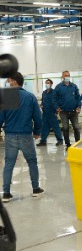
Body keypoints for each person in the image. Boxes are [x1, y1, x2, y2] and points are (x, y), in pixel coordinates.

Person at [0, 72, 43, 201]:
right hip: (26, 135)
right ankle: (36, 189)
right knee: (32, 162)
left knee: (9, 164)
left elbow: (1, 117)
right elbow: (37, 117)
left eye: (9, 80)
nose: (8, 83)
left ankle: (6, 193)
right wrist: (37, 131)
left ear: (14, 81)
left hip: (10, 136)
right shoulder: (30, 97)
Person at [54, 69, 81, 146]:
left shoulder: (74, 86)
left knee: (76, 127)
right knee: (65, 128)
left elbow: (78, 97)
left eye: (68, 75)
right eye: (66, 75)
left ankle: (78, 144)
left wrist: (78, 106)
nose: (67, 77)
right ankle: (68, 145)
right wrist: (57, 107)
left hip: (73, 111)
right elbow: (54, 98)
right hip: (63, 112)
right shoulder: (58, 87)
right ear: (62, 77)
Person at [37, 78, 63, 146]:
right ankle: (43, 141)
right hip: (45, 113)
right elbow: (43, 101)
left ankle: (60, 140)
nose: (47, 84)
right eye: (46, 83)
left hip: (52, 112)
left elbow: (56, 102)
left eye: (48, 83)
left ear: (51, 84)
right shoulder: (44, 93)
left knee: (55, 127)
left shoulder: (54, 92)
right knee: (44, 127)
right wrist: (41, 105)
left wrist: (57, 109)